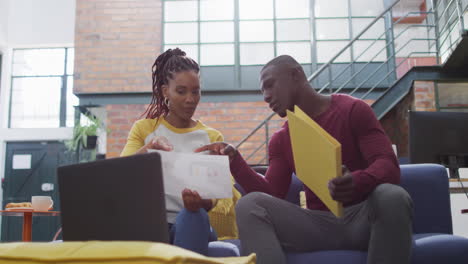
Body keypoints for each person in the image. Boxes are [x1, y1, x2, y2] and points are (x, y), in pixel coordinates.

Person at [196, 55, 414, 264]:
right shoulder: (281, 139)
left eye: (270, 85)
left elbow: (388, 166)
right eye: (263, 90)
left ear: (296, 75)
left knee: (392, 195)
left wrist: (357, 181)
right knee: (249, 205)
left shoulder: (353, 110)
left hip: (363, 218)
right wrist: (235, 161)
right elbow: (272, 193)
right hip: (317, 225)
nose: (266, 96)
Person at [121, 48, 240, 255]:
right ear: (166, 91)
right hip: (151, 223)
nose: (190, 99)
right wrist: (148, 149)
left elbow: (219, 195)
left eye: (195, 91)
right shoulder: (144, 129)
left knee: (193, 216)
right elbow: (120, 174)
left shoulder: (212, 137)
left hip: (194, 222)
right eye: (181, 91)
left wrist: (202, 203)